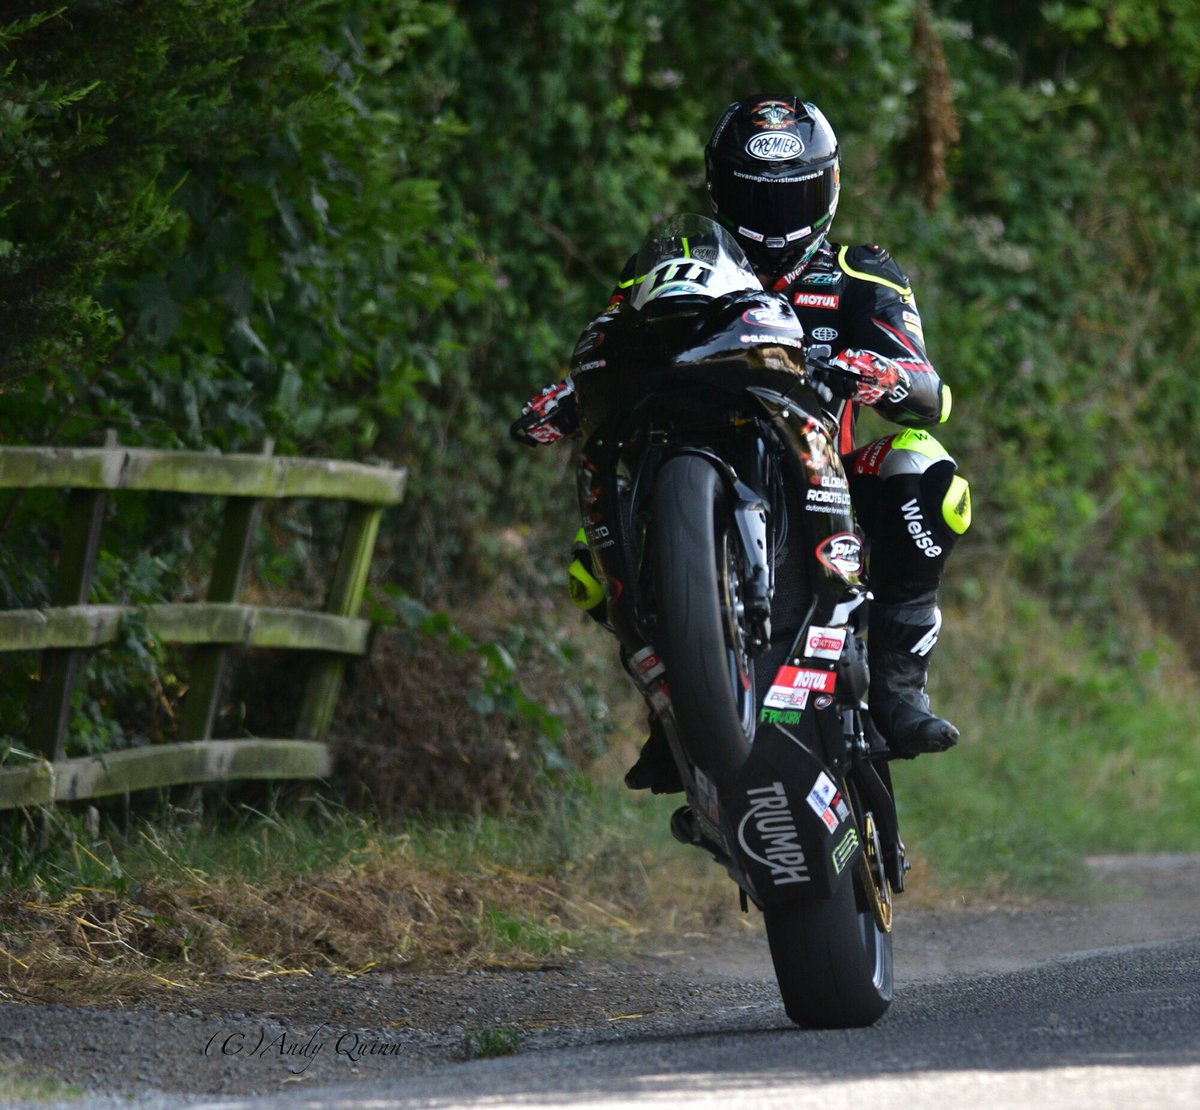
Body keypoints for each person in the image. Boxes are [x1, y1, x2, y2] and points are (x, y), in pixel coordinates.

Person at [511, 95, 971, 792]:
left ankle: (900, 694)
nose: (775, 218)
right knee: (587, 564)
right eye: (755, 196)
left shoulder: (863, 272)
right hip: (692, 453)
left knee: (926, 471)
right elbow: (611, 341)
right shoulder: (668, 268)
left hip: (825, 476)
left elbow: (925, 386)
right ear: (719, 189)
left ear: (831, 187)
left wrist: (884, 372)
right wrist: (572, 394)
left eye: (795, 196)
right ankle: (676, 706)